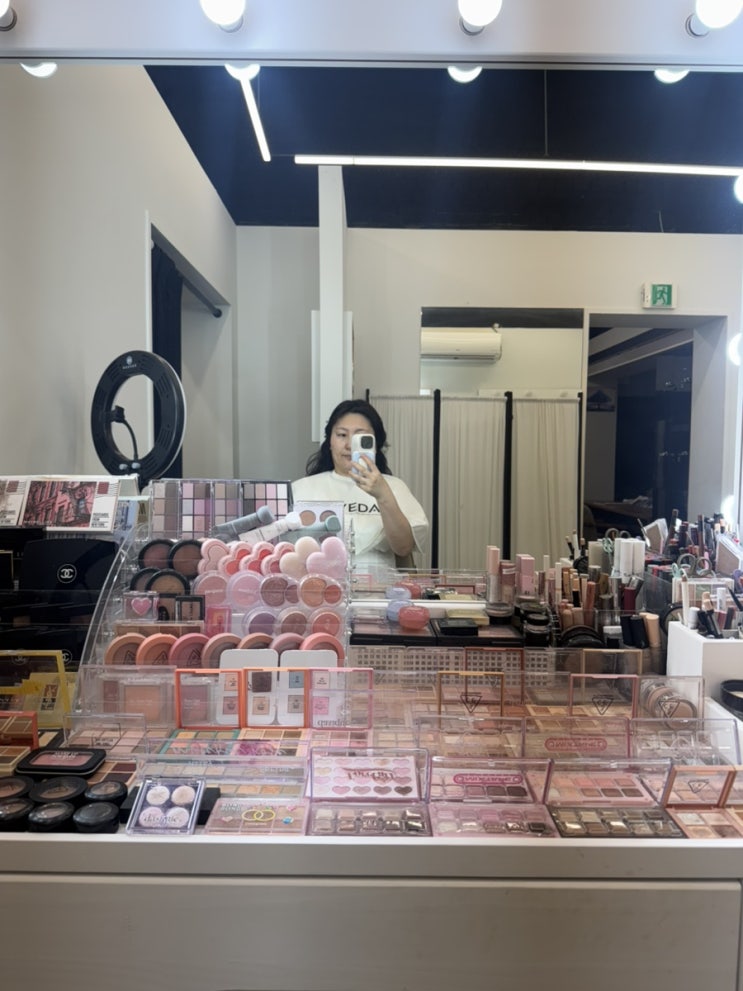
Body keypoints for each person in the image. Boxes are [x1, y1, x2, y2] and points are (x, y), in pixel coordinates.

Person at [292, 399, 429, 571]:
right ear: (330, 442)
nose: (349, 445)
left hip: (380, 586)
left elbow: (404, 548)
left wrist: (383, 496)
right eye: (342, 435)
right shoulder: (302, 488)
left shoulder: (394, 487)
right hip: (320, 584)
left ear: (375, 444)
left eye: (359, 437)